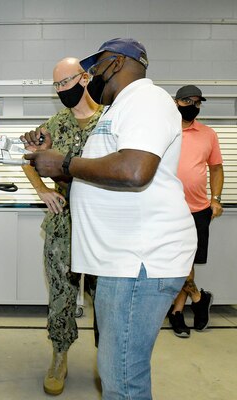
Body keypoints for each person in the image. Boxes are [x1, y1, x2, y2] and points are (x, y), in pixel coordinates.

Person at [24, 38, 197, 400]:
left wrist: (65, 163)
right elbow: (97, 174)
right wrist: (52, 163)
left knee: (122, 379)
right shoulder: (122, 109)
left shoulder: (145, 100)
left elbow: (135, 170)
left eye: (95, 66)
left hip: (139, 262)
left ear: (115, 64)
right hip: (121, 261)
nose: (90, 76)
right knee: (119, 371)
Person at [20, 57, 102, 396]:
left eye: (65, 82)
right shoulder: (54, 124)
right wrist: (42, 190)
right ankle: (59, 355)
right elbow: (28, 159)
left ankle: (107, 359)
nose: (61, 90)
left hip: (102, 222)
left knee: (106, 297)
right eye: (55, 85)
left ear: (84, 78)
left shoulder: (110, 121)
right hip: (63, 223)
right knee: (61, 295)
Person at [167, 85, 224, 338]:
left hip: (199, 210)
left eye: (197, 102)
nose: (193, 105)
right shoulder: (164, 130)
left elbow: (216, 169)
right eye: (187, 100)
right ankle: (199, 299)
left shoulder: (208, 134)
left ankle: (178, 312)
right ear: (176, 102)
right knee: (175, 264)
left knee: (188, 263)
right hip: (168, 210)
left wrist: (216, 199)